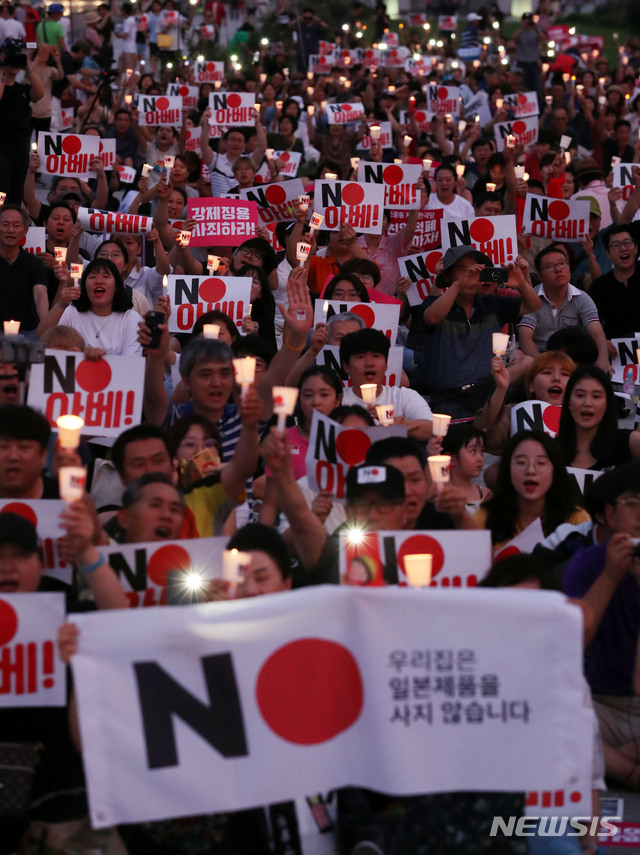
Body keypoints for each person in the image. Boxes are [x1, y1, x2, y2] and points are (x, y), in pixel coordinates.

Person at [562, 462, 640, 787]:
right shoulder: (589, 562)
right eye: (634, 504)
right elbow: (570, 642)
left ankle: (604, 761)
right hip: (604, 704)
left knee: (574, 748)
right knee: (556, 722)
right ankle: (629, 771)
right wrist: (610, 576)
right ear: (608, 515)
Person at [416, 246, 541, 418]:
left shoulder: (492, 304)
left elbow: (533, 305)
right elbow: (431, 318)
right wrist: (458, 285)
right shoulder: (435, 303)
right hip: (448, 399)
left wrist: (521, 283)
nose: (470, 277)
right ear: (447, 276)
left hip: (487, 394)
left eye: (476, 271)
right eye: (463, 271)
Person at [475, 430, 590, 554]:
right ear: (507, 470)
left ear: (555, 471)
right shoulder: (486, 518)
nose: (531, 470)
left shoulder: (576, 519)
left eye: (540, 463)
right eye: (521, 462)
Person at [517, 245, 610, 376]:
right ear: (540, 276)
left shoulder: (582, 298)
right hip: (540, 356)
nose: (558, 269)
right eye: (549, 266)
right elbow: (525, 338)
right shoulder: (532, 299)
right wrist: (545, 366)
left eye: (562, 263)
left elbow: (597, 332)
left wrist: (603, 360)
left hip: (572, 359)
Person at [474, 350, 576, 455]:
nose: (556, 378)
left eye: (565, 374)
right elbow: (487, 437)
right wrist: (501, 389)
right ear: (531, 385)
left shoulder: (582, 415)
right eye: (547, 372)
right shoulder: (515, 412)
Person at [340, 328, 433, 440]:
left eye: (376, 356)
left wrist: (392, 421)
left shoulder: (404, 396)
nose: (369, 363)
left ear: (386, 365)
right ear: (346, 366)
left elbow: (434, 431)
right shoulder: (337, 401)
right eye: (360, 357)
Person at [37, 257, 143, 356]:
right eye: (93, 277)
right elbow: (43, 337)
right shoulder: (71, 312)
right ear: (84, 286)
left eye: (106, 277)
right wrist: (61, 305)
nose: (99, 281)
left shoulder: (130, 318)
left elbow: (132, 361)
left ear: (116, 287)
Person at [556, 365, 640, 470]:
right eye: (580, 395)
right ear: (568, 400)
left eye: (596, 396)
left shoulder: (629, 443)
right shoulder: (551, 450)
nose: (587, 403)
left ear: (607, 404)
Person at [0, 205, 48, 335]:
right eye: (5, 225)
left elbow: (40, 294)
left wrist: (46, 328)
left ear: (25, 231)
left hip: (27, 332)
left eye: (16, 226)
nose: (11, 230)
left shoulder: (35, 263)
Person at [590, 225, 640, 341]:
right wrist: (603, 342)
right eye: (616, 245)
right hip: (616, 351)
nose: (623, 248)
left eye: (627, 243)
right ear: (608, 253)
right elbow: (593, 322)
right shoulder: (599, 286)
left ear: (636, 248)